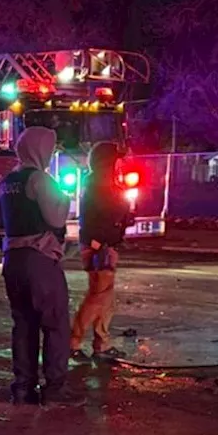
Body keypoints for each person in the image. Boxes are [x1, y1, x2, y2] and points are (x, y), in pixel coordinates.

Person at [0, 126, 83, 406]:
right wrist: (65, 198)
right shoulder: (41, 180)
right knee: (55, 323)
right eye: (51, 147)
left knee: (23, 324)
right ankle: (55, 389)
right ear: (40, 149)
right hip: (39, 261)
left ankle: (23, 388)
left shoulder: (5, 182)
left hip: (13, 261)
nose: (53, 152)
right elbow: (57, 219)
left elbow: (0, 222)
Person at [70, 142, 133, 364]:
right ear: (107, 162)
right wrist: (98, 243)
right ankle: (73, 344)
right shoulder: (99, 187)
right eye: (116, 159)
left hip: (104, 246)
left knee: (105, 299)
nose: (120, 164)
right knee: (97, 298)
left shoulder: (101, 184)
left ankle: (101, 345)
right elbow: (97, 218)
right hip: (100, 247)